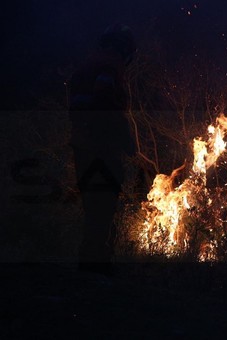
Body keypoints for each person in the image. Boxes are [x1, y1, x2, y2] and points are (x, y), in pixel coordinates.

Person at [68, 23, 137, 274]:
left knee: (92, 204)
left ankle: (89, 264)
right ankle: (96, 267)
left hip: (82, 144)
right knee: (103, 204)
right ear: (122, 48)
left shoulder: (85, 66)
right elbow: (105, 103)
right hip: (101, 146)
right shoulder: (109, 66)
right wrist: (125, 138)